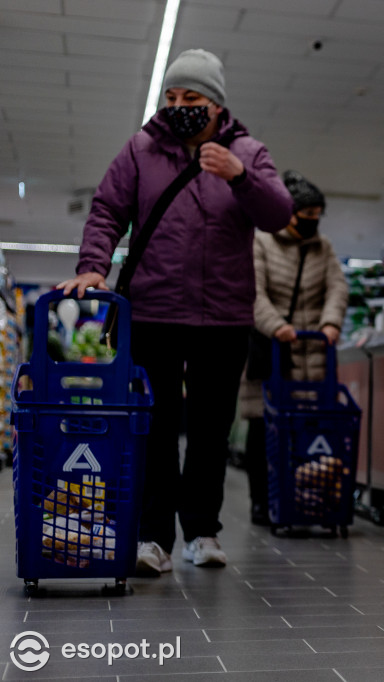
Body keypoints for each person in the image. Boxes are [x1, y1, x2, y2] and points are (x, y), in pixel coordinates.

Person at [58, 49, 293, 575]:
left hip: (224, 317)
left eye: (192, 98)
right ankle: (153, 538)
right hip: (155, 310)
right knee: (156, 429)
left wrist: (240, 177)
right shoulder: (141, 150)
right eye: (172, 97)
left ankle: (203, 532)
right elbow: (107, 209)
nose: (179, 105)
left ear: (216, 105)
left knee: (210, 429)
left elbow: (279, 214)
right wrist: (94, 264)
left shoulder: (248, 153)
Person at [239, 171, 349, 525]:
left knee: (309, 429)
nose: (312, 223)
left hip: (314, 353)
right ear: (289, 212)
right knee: (263, 428)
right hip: (269, 351)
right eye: (307, 216)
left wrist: (330, 322)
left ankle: (304, 497)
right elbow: (252, 293)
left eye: (318, 216)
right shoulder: (261, 243)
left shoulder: (323, 247)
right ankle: (262, 501)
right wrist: (277, 327)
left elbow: (337, 287)